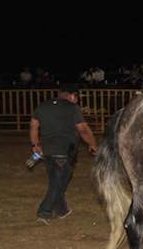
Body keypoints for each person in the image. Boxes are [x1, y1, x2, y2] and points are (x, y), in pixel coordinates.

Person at [29, 84, 97, 225]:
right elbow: (82, 129)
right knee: (59, 183)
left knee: (55, 181)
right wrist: (92, 144)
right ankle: (44, 211)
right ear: (72, 95)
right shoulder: (72, 108)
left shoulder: (42, 106)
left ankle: (62, 210)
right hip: (65, 151)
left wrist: (35, 144)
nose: (77, 100)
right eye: (77, 97)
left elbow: (34, 126)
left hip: (46, 151)